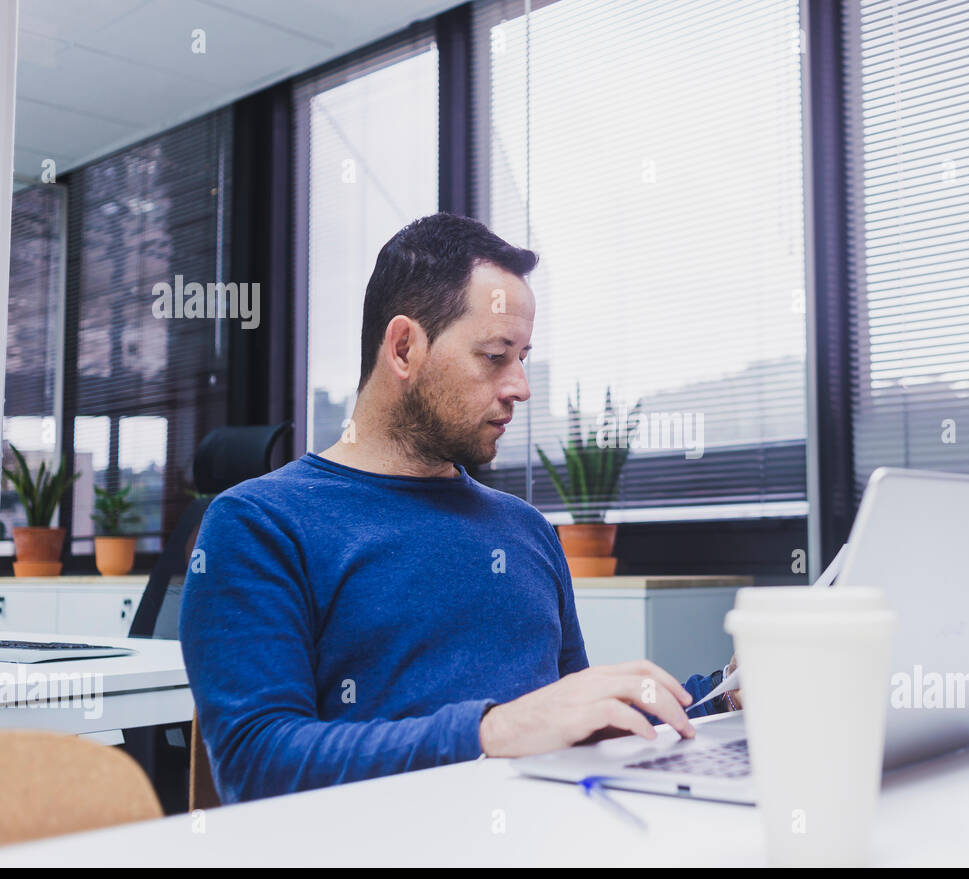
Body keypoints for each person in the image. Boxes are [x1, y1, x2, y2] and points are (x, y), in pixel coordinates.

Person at [180, 212, 740, 804]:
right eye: (497, 355)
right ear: (403, 348)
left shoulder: (525, 530)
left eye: (524, 355)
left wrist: (722, 694)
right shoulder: (259, 524)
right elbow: (257, 765)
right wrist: (493, 731)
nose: (521, 386)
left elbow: (577, 725)